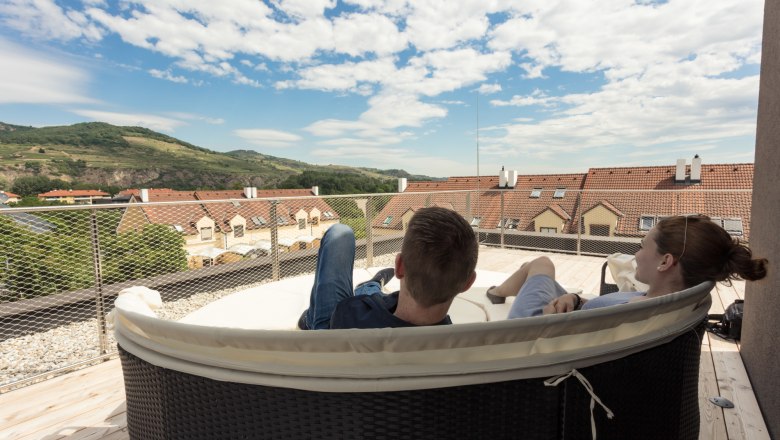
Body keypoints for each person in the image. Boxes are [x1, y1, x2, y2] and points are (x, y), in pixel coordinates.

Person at [486, 215, 768, 318]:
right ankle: (499, 291)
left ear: (665, 262)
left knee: (540, 262)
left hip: (537, 324)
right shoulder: (659, 304)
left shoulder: (628, 313)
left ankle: (498, 292)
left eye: (644, 245)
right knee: (541, 264)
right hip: (572, 310)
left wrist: (552, 317)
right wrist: (574, 299)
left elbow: (554, 339)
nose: (636, 253)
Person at [298, 206, 479, 330]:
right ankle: (373, 285)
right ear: (468, 283)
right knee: (375, 296)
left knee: (340, 233)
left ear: (399, 267)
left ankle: (311, 319)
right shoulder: (456, 346)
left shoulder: (346, 313)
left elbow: (346, 311)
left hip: (332, 336)